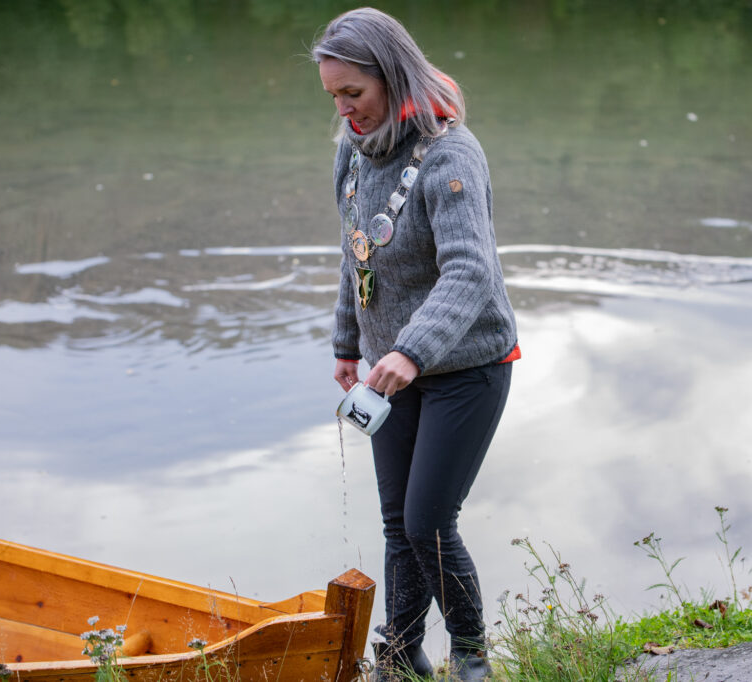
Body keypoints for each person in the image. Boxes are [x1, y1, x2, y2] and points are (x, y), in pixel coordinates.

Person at [313, 7, 520, 681]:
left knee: (428, 521)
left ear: (392, 77)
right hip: (390, 374)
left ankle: (471, 657)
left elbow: (471, 271)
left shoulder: (453, 154)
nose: (345, 111)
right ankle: (400, 660)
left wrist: (410, 350)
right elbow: (357, 252)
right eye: (334, 97)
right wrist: (349, 343)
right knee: (397, 521)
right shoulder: (351, 150)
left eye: (355, 94)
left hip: (466, 367)